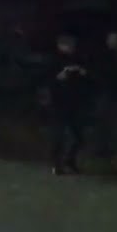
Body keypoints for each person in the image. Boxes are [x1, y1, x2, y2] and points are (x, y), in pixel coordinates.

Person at [42, 34, 92, 175]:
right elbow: (48, 80)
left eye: (71, 46)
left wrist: (82, 73)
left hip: (74, 103)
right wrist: (58, 78)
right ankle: (56, 164)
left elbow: (85, 78)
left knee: (78, 136)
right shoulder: (53, 60)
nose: (70, 48)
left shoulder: (77, 59)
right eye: (67, 45)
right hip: (58, 103)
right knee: (58, 135)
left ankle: (70, 160)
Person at [93, 31, 117, 159]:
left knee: (110, 123)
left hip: (114, 92)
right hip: (105, 92)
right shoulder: (104, 55)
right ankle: (100, 148)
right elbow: (102, 73)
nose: (115, 42)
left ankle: (106, 148)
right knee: (103, 122)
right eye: (113, 39)